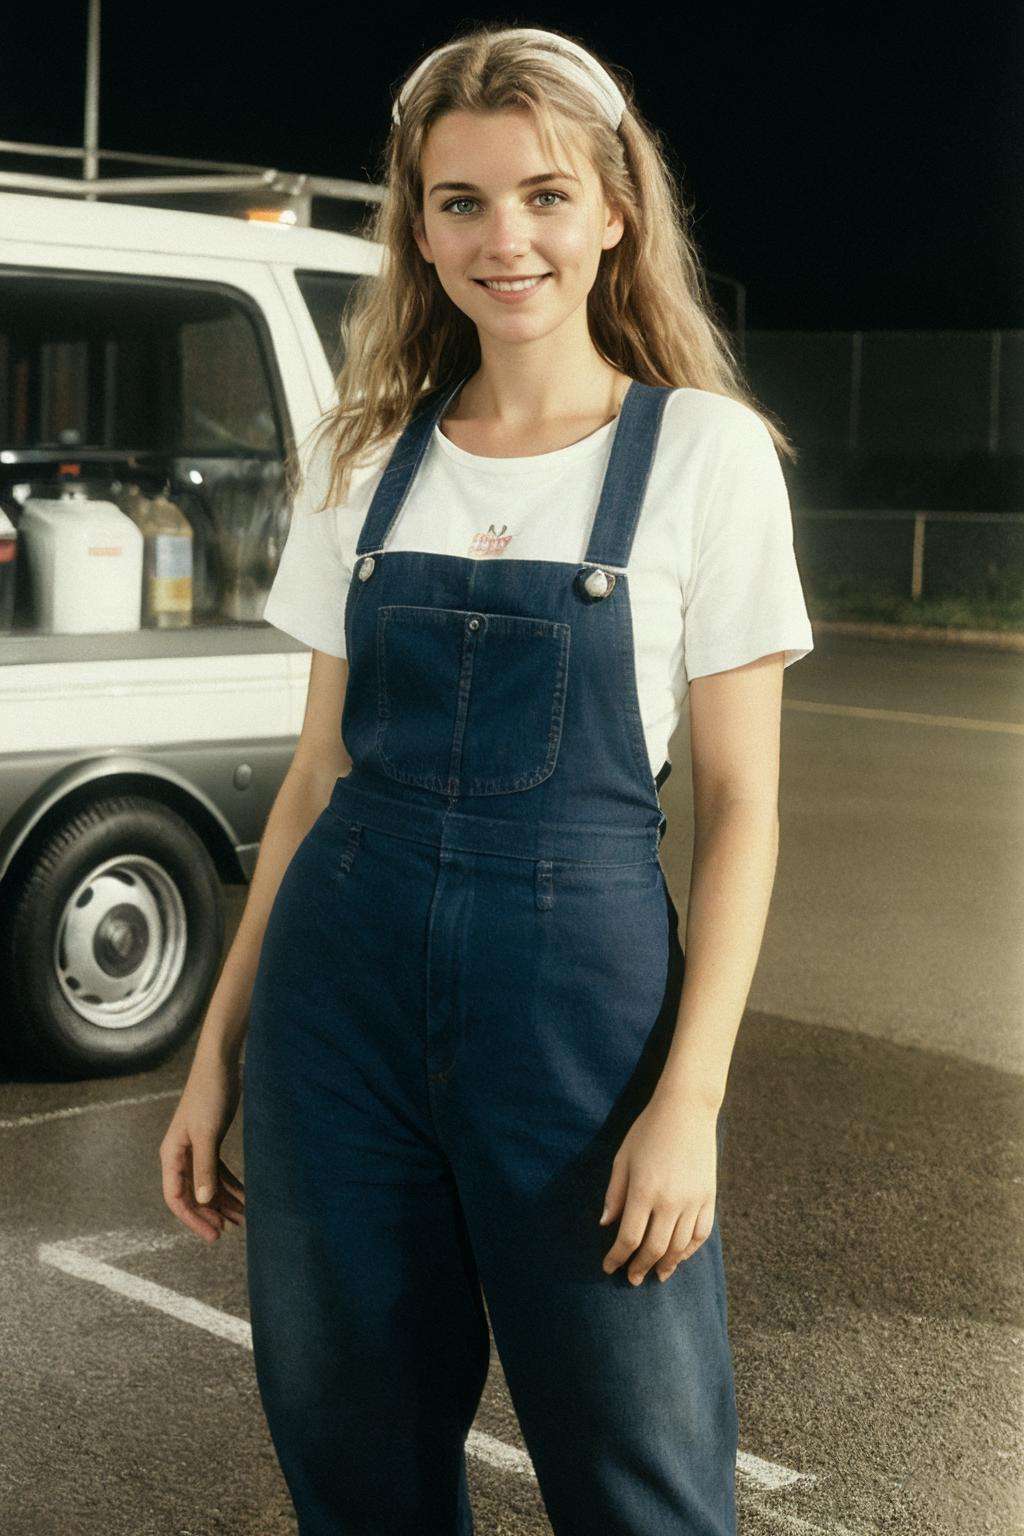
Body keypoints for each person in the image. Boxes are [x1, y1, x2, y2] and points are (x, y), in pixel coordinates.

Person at [160, 23, 814, 1536]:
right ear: (418, 226)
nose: (503, 237)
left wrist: (691, 1099)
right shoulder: (365, 456)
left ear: (613, 211)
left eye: (542, 195)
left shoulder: (706, 456)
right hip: (342, 1007)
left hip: (579, 1010)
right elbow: (318, 776)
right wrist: (221, 1046)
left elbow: (748, 810)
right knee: (356, 1457)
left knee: (644, 1478)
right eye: (460, 203)